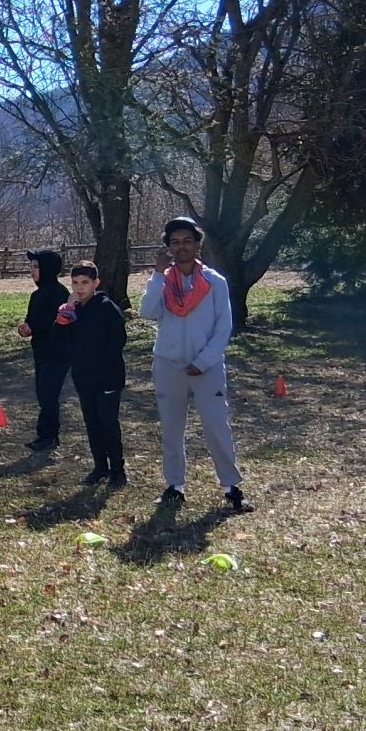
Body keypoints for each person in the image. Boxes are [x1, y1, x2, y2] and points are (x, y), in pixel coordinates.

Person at [137, 217, 249, 511]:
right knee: (171, 429)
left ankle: (231, 486)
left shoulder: (214, 282)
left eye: (187, 241)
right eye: (175, 242)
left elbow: (223, 327)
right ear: (168, 247)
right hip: (168, 364)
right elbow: (148, 312)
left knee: (216, 426)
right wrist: (157, 274)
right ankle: (175, 486)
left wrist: (204, 361)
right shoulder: (163, 281)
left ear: (198, 244)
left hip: (206, 367)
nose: (181, 247)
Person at [63, 262, 128, 486]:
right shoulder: (73, 309)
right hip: (84, 377)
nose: (79, 288)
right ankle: (100, 467)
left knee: (108, 423)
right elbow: (60, 337)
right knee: (92, 423)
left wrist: (101, 366)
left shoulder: (107, 309)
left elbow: (117, 342)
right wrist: (67, 312)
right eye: (75, 283)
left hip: (107, 377)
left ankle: (118, 470)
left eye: (85, 282)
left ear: (96, 283)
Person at [17, 249, 71, 451]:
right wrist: (25, 327)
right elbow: (32, 319)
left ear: (47, 269)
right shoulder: (37, 295)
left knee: (48, 394)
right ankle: (45, 434)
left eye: (36, 267)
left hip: (56, 354)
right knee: (43, 394)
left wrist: (34, 327)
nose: (32, 271)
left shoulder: (59, 294)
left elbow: (57, 323)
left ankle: (49, 436)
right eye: (31, 267)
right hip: (41, 352)